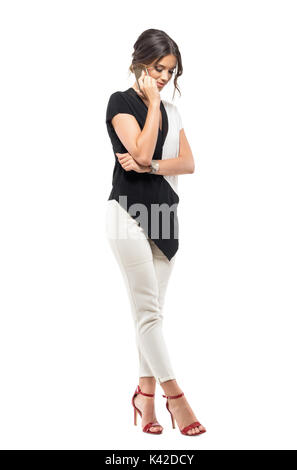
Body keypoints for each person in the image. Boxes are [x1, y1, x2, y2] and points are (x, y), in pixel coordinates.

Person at [105, 29, 206, 436]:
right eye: (158, 67)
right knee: (149, 313)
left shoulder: (174, 111)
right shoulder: (120, 102)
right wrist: (152, 106)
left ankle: (144, 401)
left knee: (152, 317)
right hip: (127, 213)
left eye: (170, 71)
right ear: (140, 62)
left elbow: (188, 163)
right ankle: (175, 397)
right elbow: (145, 148)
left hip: (165, 215)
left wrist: (148, 167)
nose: (163, 77)